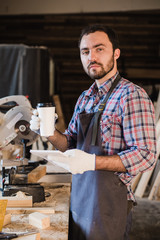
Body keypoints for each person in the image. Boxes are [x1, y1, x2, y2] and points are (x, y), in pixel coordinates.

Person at [30, 24, 156, 240]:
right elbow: (69, 144)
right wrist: (48, 131)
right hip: (80, 200)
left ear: (116, 53)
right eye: (85, 51)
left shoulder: (132, 95)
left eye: (99, 49)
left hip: (109, 206)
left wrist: (93, 162)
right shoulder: (85, 98)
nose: (91, 57)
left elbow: (146, 155)